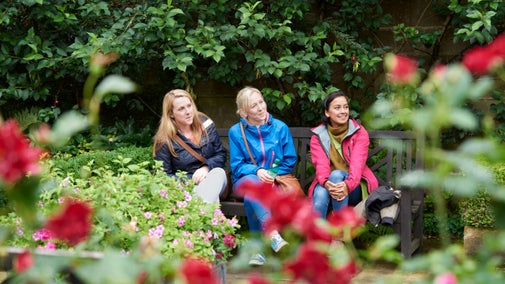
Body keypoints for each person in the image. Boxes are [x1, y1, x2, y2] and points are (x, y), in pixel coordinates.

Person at [228, 86, 297, 266]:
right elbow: (237, 166)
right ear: (243, 113)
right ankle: (272, 233)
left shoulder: (280, 128)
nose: (260, 108)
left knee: (254, 194)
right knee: (253, 185)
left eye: (261, 102)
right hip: (245, 180)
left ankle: (258, 250)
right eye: (253, 106)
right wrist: (257, 171)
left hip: (274, 181)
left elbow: (288, 160)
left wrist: (271, 175)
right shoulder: (236, 132)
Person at [308, 91, 379, 218]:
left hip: (354, 186)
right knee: (319, 195)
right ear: (327, 112)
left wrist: (347, 185)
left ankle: (339, 233)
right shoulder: (318, 136)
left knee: (336, 175)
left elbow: (357, 165)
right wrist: (326, 184)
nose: (343, 111)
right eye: (337, 108)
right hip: (329, 185)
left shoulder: (359, 133)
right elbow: (321, 165)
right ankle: (318, 236)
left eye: (345, 107)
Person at [153, 89, 227, 203]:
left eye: (189, 105)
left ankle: (202, 211)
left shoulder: (205, 124)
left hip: (214, 179)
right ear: (171, 114)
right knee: (208, 195)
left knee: (218, 172)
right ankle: (207, 215)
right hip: (186, 189)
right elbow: (163, 176)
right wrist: (192, 180)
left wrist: (206, 168)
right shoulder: (165, 140)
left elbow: (220, 154)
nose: (188, 111)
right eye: (181, 109)